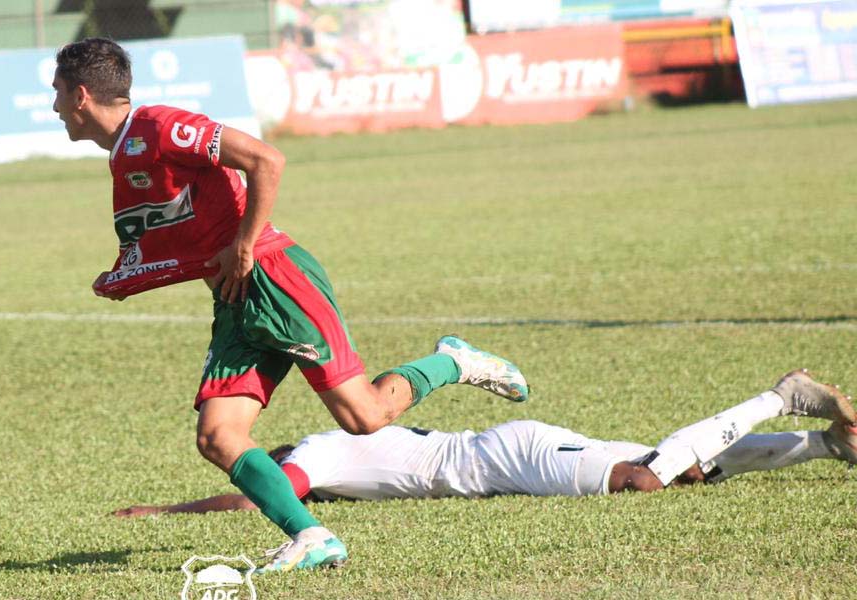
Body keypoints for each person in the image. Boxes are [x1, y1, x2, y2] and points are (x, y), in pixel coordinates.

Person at [51, 38, 529, 572]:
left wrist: (245, 244)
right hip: (236, 298)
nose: (53, 106)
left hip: (276, 279)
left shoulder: (160, 126)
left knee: (364, 417)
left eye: (57, 92)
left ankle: (454, 361)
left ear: (81, 95)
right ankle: (312, 537)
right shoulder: (124, 153)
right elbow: (181, 233)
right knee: (218, 436)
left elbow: (266, 159)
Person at [114, 370, 856, 519]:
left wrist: (169, 513)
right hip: (506, 456)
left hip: (503, 457)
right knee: (690, 470)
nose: (261, 475)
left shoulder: (314, 456)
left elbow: (263, 494)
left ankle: (777, 396)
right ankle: (827, 447)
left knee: (645, 481)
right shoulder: (328, 446)